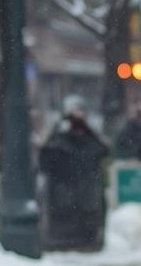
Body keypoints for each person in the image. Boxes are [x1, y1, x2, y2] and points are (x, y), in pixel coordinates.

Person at [39, 96, 110, 251]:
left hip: (84, 201)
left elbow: (104, 150)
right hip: (64, 201)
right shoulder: (58, 140)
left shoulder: (88, 139)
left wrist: (87, 129)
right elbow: (45, 159)